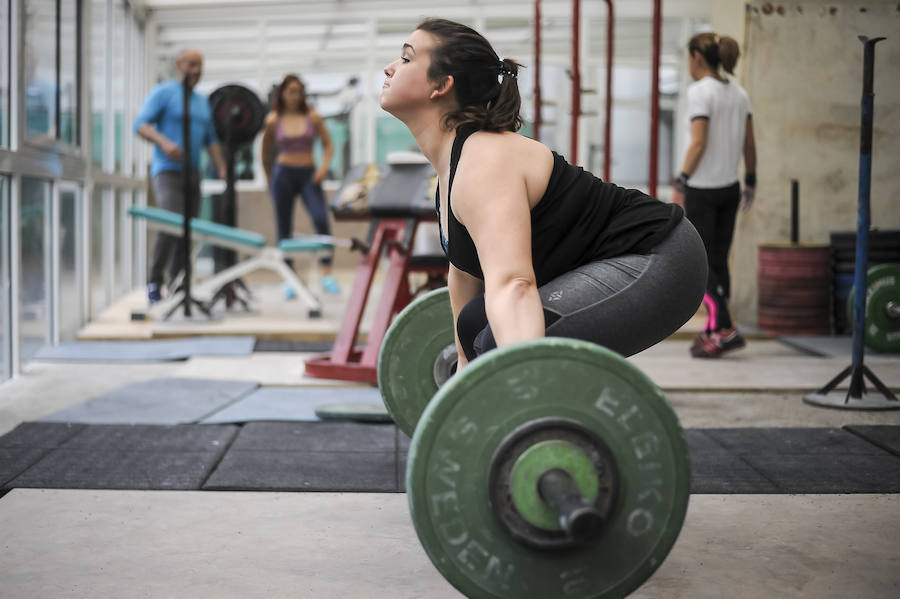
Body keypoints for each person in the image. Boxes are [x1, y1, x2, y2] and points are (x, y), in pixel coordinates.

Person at [380, 18, 707, 367]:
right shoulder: (453, 164)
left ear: (442, 85)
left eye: (406, 58)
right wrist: (463, 369)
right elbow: (464, 271)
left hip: (657, 258)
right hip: (624, 257)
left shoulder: (484, 160)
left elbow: (514, 285)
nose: (390, 68)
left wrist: (520, 383)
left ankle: (560, 418)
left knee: (497, 342)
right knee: (477, 325)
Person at [671, 32, 756, 358]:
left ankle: (724, 330)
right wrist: (751, 179)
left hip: (703, 190)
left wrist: (681, 182)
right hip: (730, 188)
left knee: (704, 265)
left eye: (688, 58)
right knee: (719, 260)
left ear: (697, 57)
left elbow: (698, 143)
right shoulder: (739, 94)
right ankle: (713, 331)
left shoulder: (699, 92)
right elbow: (749, 143)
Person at [134, 49, 226, 304]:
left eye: (200, 65)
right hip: (166, 171)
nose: (196, 70)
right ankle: (155, 281)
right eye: (191, 64)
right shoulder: (164, 93)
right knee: (172, 222)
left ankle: (179, 283)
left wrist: (221, 165)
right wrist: (165, 144)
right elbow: (140, 125)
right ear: (179, 65)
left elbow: (210, 139)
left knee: (188, 229)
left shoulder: (201, 101)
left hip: (193, 173)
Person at [261, 74, 340, 298]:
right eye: (291, 91)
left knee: (320, 219)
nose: (296, 96)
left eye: (299, 91)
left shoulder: (313, 117)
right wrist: (269, 180)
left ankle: (327, 274)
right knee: (283, 227)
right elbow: (265, 154)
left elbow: (328, 145)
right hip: (283, 175)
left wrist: (324, 167)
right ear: (282, 94)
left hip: (308, 175)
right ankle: (289, 277)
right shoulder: (273, 120)